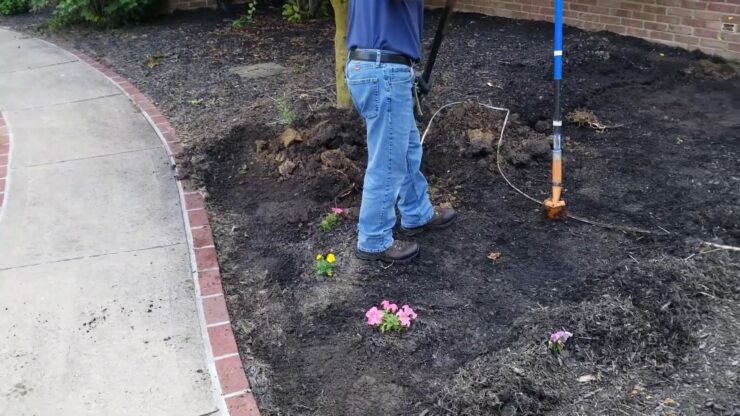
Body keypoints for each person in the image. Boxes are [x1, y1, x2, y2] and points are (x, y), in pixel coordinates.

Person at [345, 0, 456, 263]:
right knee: (388, 159)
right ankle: (373, 239)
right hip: (383, 68)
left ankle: (417, 212)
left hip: (375, 65)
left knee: (406, 146)